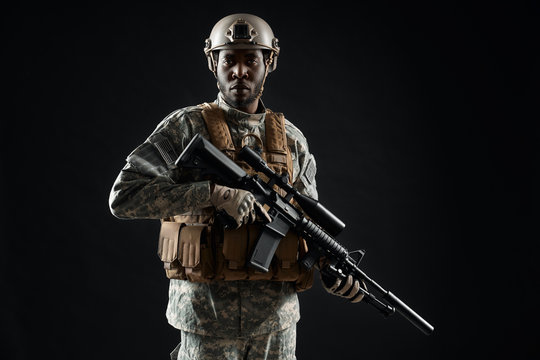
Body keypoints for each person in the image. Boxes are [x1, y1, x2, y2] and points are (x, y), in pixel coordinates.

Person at [109, 13, 364, 360]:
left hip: (276, 327)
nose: (240, 71)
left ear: (269, 62)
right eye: (230, 59)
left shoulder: (292, 141)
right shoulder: (185, 127)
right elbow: (124, 197)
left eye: (251, 60)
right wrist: (214, 194)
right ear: (213, 62)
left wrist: (332, 273)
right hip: (206, 323)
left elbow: (306, 224)